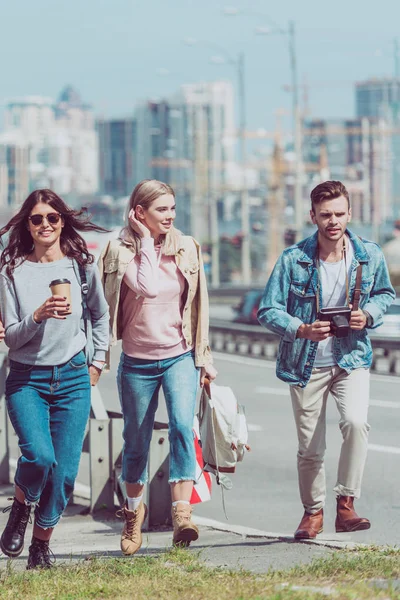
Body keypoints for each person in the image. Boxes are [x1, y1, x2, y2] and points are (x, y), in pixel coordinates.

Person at [257, 180, 395, 540]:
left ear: (349, 213)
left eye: (338, 214)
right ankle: (313, 512)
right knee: (310, 447)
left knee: (355, 423)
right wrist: (301, 329)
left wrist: (368, 314)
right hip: (306, 362)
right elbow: (267, 310)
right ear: (313, 216)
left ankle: (346, 505)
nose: (333, 221)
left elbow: (384, 294)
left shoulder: (369, 254)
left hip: (352, 356)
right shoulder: (293, 259)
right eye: (325, 215)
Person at [98, 179, 217, 555]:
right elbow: (146, 287)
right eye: (161, 209)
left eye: (172, 208)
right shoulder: (120, 250)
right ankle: (134, 513)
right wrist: (145, 242)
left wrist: (205, 358)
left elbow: (200, 306)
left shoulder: (186, 247)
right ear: (139, 212)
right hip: (137, 361)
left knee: (183, 425)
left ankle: (183, 512)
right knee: (136, 441)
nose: (170, 216)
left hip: (179, 355)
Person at [0, 189, 109, 569]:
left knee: (63, 474)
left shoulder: (81, 266)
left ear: (62, 221)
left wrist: (98, 361)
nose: (45, 225)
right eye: (37, 219)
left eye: (53, 218)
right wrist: (40, 315)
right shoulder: (13, 270)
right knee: (39, 456)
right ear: (27, 225)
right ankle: (20, 505)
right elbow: (12, 336)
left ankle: (40, 546)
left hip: (73, 377)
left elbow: (99, 315)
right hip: (27, 379)